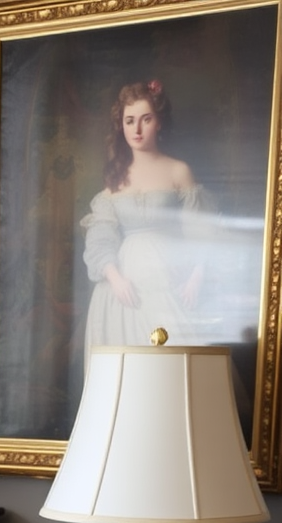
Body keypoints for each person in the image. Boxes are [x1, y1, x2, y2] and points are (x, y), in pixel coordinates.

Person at [81, 80, 216, 361]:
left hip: (169, 274)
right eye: (130, 121)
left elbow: (202, 229)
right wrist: (115, 277)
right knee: (129, 366)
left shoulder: (179, 171)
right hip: (123, 283)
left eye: (146, 119)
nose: (137, 129)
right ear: (122, 125)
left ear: (159, 123)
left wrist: (197, 275)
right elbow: (100, 237)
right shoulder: (115, 180)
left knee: (173, 358)